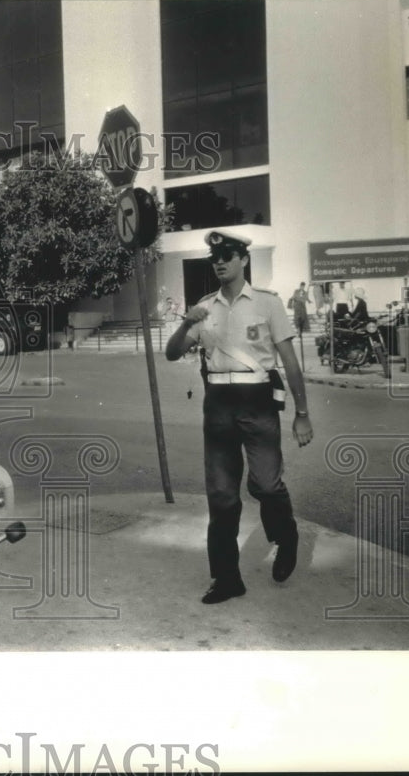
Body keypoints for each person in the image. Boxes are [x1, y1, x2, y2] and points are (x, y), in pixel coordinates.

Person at [166, 230, 313, 604]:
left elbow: (291, 363)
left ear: (244, 260)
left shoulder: (267, 304)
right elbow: (171, 353)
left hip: (257, 399)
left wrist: (302, 414)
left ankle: (285, 535)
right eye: (215, 257)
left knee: (265, 484)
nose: (220, 262)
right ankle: (227, 578)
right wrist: (187, 323)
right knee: (221, 496)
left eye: (228, 255)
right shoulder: (204, 307)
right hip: (218, 403)